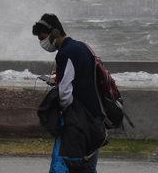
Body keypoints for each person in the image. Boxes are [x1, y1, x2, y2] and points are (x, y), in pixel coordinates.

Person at [33, 13, 106, 173]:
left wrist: (64, 110)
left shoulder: (65, 53)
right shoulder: (82, 47)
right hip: (94, 120)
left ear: (56, 33)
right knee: (87, 167)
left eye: (43, 37)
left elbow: (65, 93)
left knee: (62, 166)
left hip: (77, 123)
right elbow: (83, 77)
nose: (42, 42)